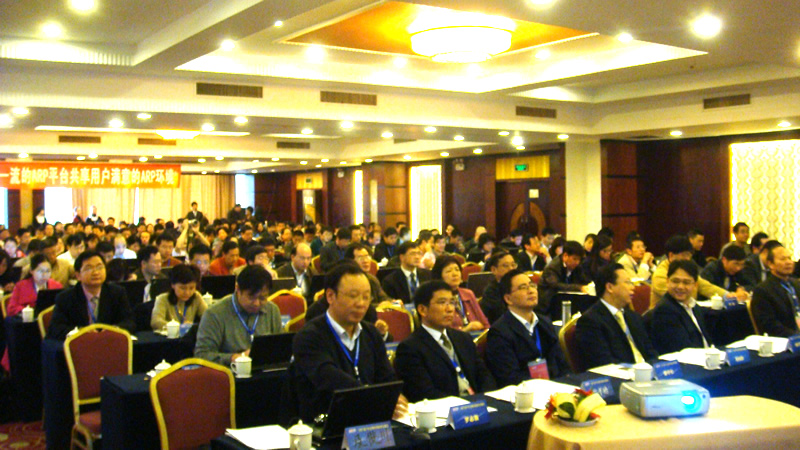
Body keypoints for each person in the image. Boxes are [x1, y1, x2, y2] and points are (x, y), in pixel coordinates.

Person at [291, 263, 407, 422]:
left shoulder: (371, 333)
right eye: (353, 296)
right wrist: (376, 398)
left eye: (366, 297)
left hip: (371, 419)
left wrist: (394, 396)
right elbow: (329, 379)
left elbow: (387, 376)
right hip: (325, 422)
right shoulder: (309, 336)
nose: (361, 303)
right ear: (330, 296)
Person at [394, 280, 496, 402]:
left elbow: (484, 375)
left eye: (452, 302)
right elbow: (423, 393)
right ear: (422, 310)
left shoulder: (463, 338)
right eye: (442, 303)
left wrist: (485, 398)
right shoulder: (410, 348)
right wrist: (463, 404)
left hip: (479, 403)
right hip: (446, 408)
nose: (450, 309)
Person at [485, 270, 569, 386]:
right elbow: (509, 377)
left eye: (532, 285)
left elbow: (561, 363)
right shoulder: (500, 332)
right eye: (523, 288)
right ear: (508, 298)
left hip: (554, 387)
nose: (531, 291)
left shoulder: (545, 322)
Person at [575, 263, 658, 368]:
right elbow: (603, 363)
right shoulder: (590, 321)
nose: (633, 287)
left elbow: (650, 351)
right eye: (627, 282)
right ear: (610, 287)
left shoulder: (634, 317)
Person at [195, 265, 282, 365]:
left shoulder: (272, 310)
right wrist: (234, 358)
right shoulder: (215, 314)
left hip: (266, 369)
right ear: (237, 289)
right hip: (229, 371)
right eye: (251, 297)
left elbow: (279, 346)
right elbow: (202, 354)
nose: (257, 303)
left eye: (262, 298)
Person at [47, 251, 135, 340]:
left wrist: (113, 330)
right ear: (78, 275)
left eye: (99, 267)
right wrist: (81, 332)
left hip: (109, 342)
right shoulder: (66, 297)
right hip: (80, 344)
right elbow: (55, 328)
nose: (96, 272)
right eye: (88, 268)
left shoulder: (117, 293)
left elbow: (129, 322)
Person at [650, 235, 736, 308]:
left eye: (689, 255)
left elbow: (705, 286)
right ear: (671, 255)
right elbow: (682, 297)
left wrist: (727, 295)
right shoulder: (660, 275)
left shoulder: (685, 270)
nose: (688, 259)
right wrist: (694, 287)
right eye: (685, 255)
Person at [649, 260, 713, 354]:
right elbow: (683, 350)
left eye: (686, 282)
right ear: (667, 281)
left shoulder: (694, 306)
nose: (680, 287)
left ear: (695, 285)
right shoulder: (665, 310)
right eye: (675, 281)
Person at [750, 244, 800, 337]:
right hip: (786, 338)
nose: (788, 262)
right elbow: (769, 326)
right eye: (783, 259)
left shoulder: (796, 284)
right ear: (770, 264)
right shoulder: (762, 290)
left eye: (789, 258)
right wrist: (796, 336)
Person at [431, 255, 489, 331]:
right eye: (449, 271)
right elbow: (442, 333)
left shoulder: (468, 294)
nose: (455, 274)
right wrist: (466, 329)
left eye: (457, 270)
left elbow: (485, 323)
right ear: (439, 276)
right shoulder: (437, 299)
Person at [538, 240, 590, 319]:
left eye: (579, 259)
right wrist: (579, 287)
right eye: (575, 259)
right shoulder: (552, 267)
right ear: (565, 256)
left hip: (566, 302)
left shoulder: (576, 266)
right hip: (548, 306)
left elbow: (584, 280)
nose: (577, 262)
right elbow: (556, 285)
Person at [151, 264, 207, 330]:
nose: (187, 292)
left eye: (191, 288)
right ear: (173, 285)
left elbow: (209, 318)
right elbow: (156, 322)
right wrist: (180, 327)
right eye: (183, 288)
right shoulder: (163, 299)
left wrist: (193, 326)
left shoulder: (196, 297)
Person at [480, 251, 519, 324]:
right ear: (494, 270)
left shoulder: (519, 286)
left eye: (513, 265)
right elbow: (500, 316)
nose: (511, 268)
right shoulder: (491, 292)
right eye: (506, 266)